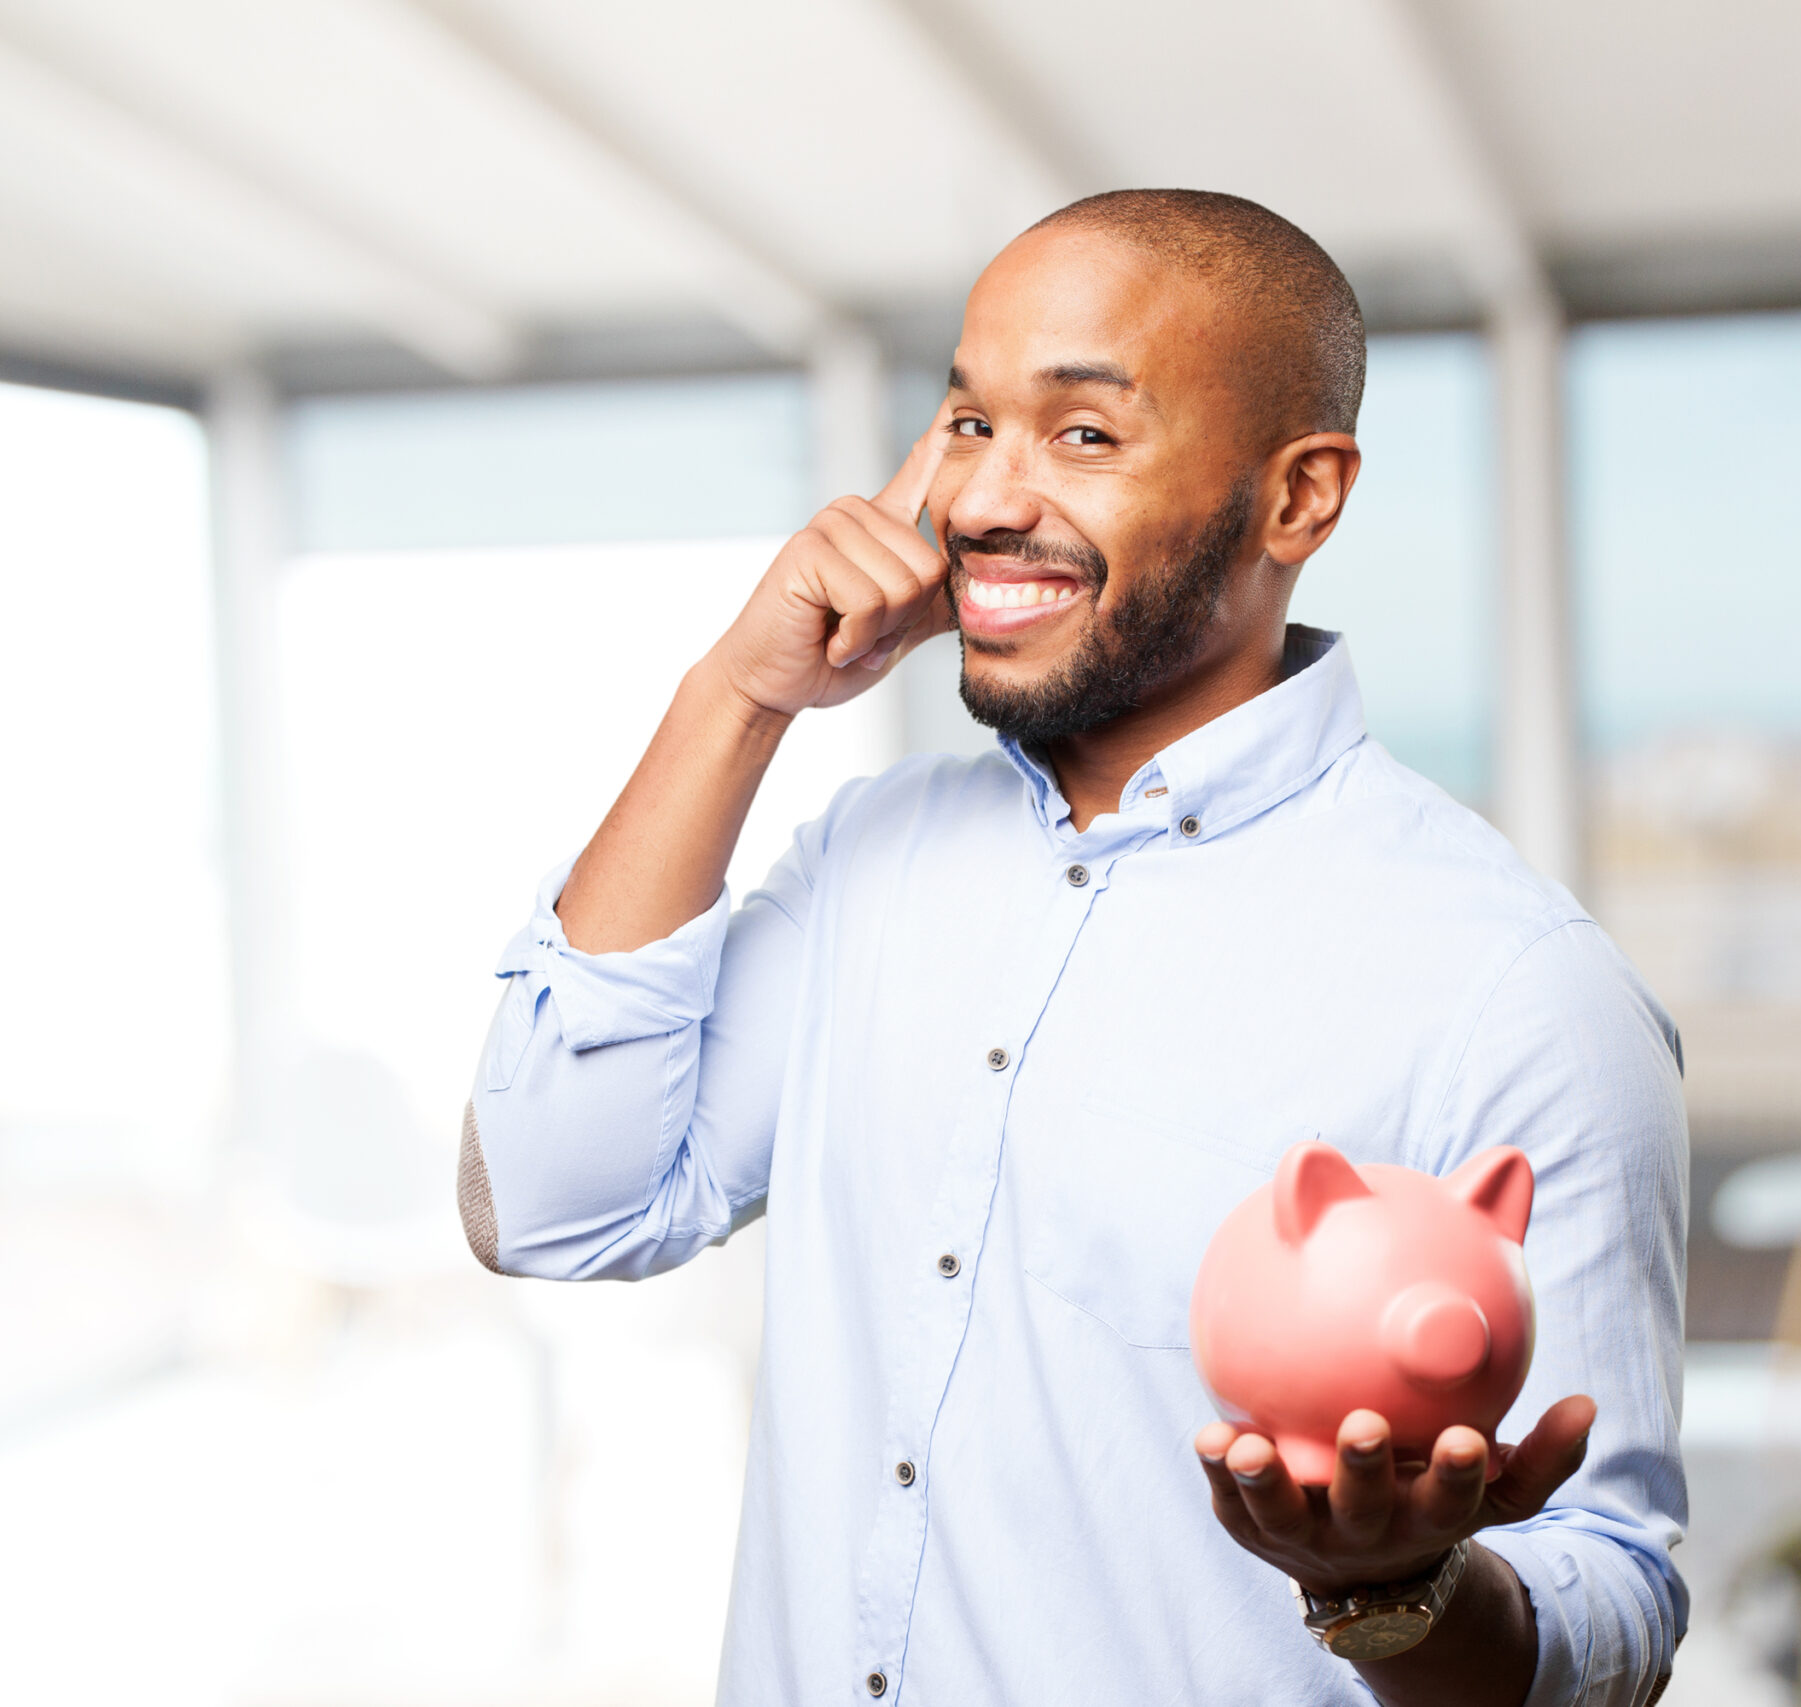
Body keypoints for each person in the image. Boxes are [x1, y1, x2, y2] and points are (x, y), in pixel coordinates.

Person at [462, 189, 1688, 1706]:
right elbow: (549, 1204)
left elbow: (1615, 1611)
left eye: (1084, 436)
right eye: (968, 422)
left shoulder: (1515, 989)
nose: (979, 502)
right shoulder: (868, 861)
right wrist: (740, 695)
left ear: (1298, 498)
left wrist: (1395, 1592)